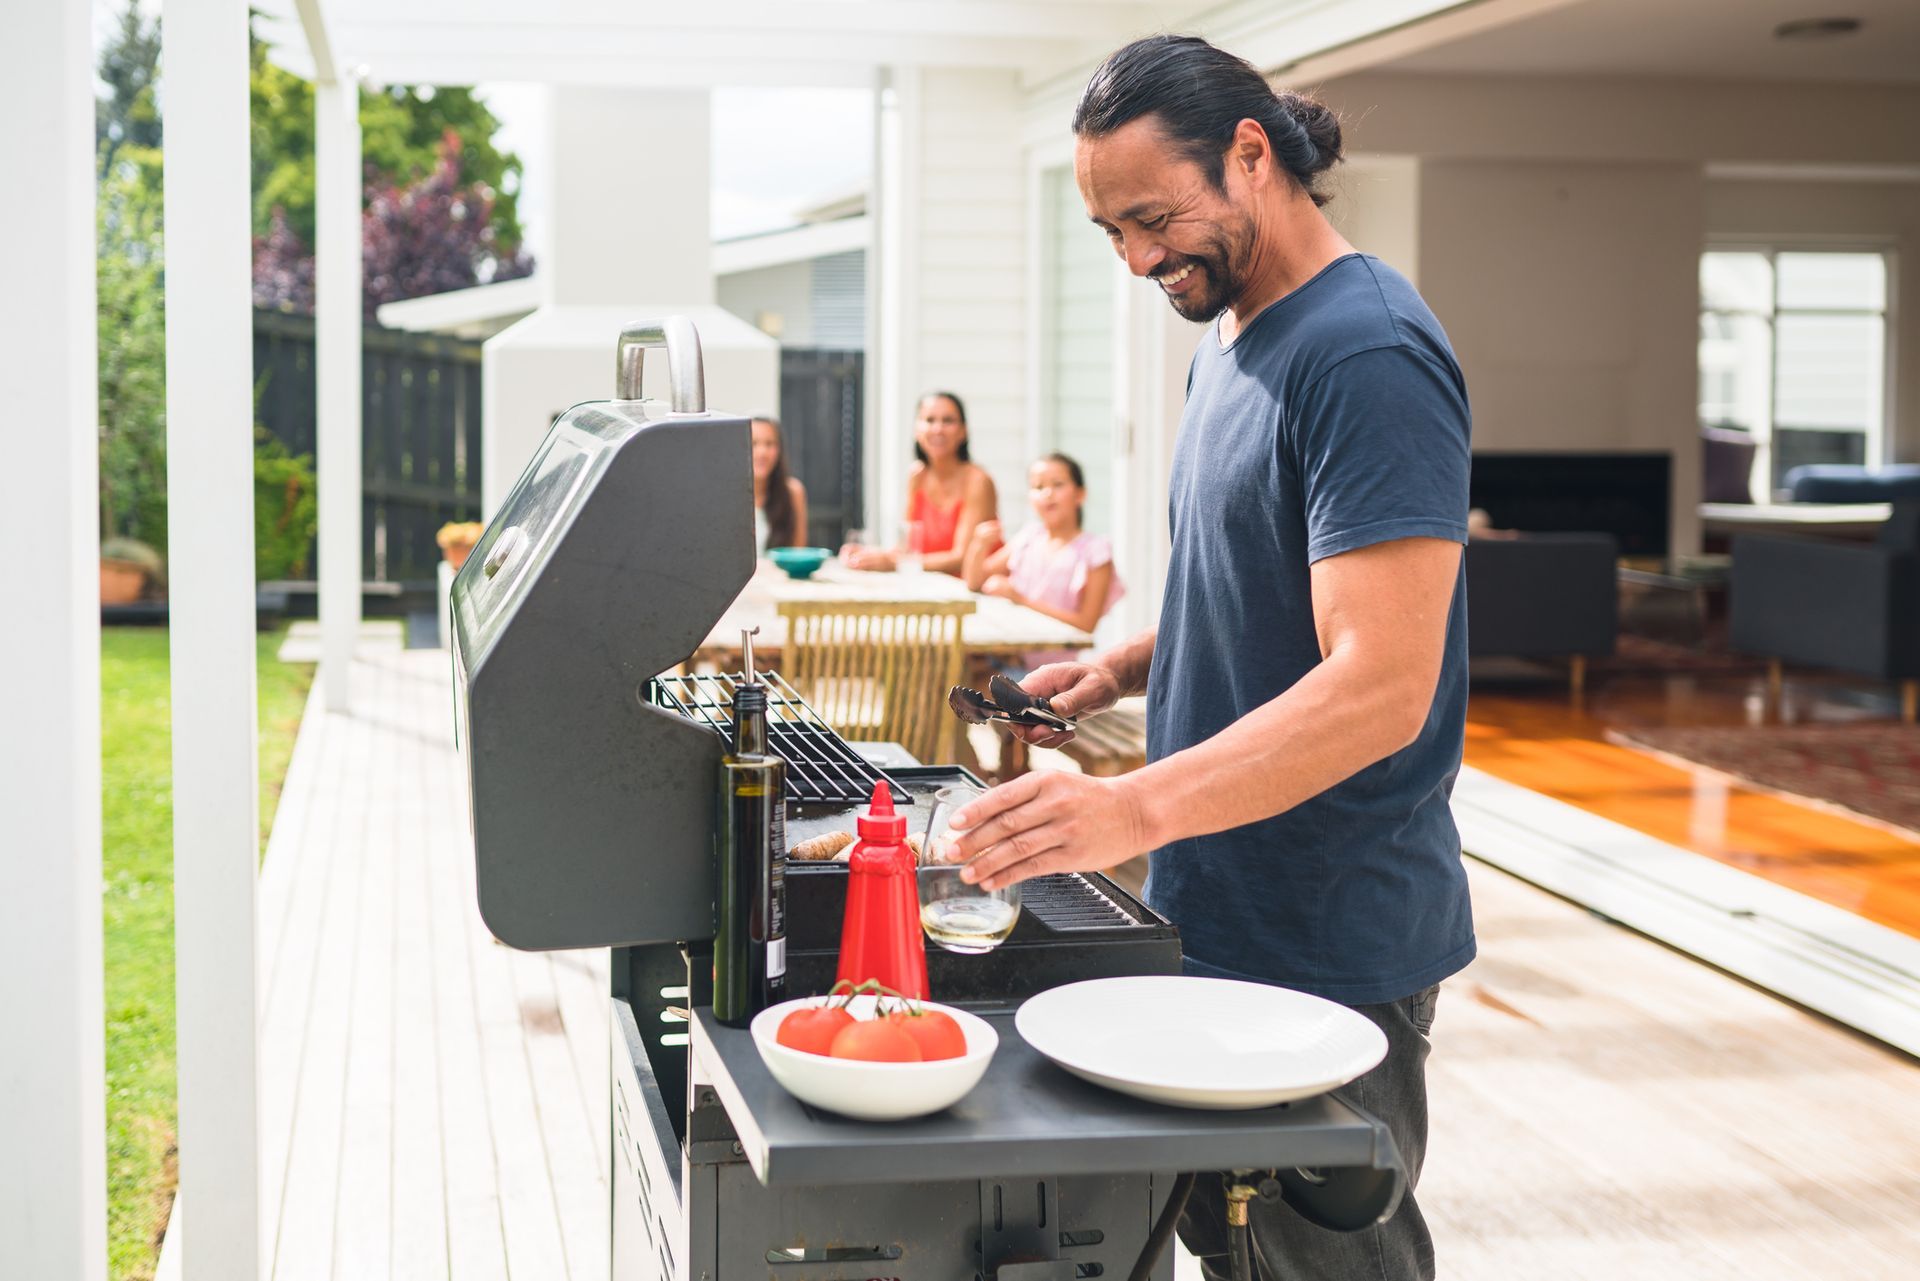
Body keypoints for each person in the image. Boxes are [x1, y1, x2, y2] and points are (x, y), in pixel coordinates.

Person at [944, 35, 1473, 1281]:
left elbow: (1380, 684)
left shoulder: (1369, 353)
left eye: (1152, 216)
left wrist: (1121, 805)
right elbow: (1254, 586)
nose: (1135, 257)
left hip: (1328, 939)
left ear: (1251, 155)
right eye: (1108, 231)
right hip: (1211, 905)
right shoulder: (1234, 340)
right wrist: (1124, 667)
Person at [961, 453, 1125, 657]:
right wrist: (978, 546)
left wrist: (1019, 598)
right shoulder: (1029, 537)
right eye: (1038, 487)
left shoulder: (1095, 551)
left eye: (1058, 484)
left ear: (1080, 494)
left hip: (1054, 671)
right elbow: (975, 582)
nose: (1047, 493)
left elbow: (1085, 625)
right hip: (1010, 658)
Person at [842, 391, 996, 574]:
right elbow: (907, 548)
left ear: (963, 431)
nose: (938, 429)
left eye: (948, 421)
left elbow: (961, 558)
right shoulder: (917, 475)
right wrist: (869, 556)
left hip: (978, 592)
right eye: (929, 420)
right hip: (931, 588)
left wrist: (895, 564)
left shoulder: (978, 481)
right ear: (917, 430)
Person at [751, 415, 808, 553]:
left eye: (770, 444)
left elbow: (797, 554)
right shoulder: (726, 495)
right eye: (753, 444)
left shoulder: (793, 492)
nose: (762, 452)